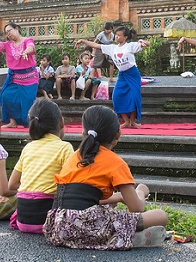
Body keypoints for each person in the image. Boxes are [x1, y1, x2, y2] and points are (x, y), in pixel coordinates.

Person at [43, 105, 168, 250]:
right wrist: (141, 191)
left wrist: (119, 197)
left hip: (58, 228)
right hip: (87, 227)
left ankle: (118, 237)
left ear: (84, 131)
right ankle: (126, 237)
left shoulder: (74, 157)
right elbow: (136, 207)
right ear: (118, 133)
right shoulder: (115, 162)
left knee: (110, 208)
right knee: (160, 216)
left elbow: (85, 199)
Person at [8, 98, 74, 234]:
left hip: (23, 220)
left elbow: (12, 185)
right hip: (48, 220)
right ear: (61, 122)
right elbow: (71, 185)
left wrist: (31, 191)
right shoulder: (65, 147)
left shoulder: (28, 147)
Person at [75, 27, 150, 128]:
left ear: (125, 37)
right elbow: (96, 45)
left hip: (133, 74)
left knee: (134, 97)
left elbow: (147, 44)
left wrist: (141, 41)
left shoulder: (130, 46)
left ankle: (132, 122)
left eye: (119, 35)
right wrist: (83, 41)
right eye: (116, 35)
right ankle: (126, 121)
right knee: (116, 96)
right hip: (122, 75)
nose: (116, 36)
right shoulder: (112, 48)